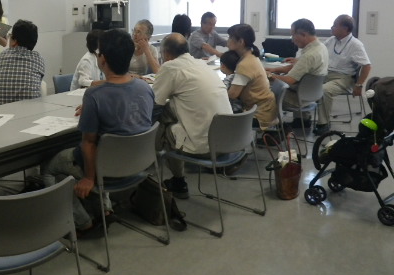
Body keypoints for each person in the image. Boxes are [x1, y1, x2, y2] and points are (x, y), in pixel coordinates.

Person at [42, 29, 154, 236]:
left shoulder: (94, 95)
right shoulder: (145, 87)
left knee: (48, 167)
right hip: (136, 165)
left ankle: (83, 223)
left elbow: (89, 143)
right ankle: (105, 210)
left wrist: (89, 178)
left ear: (102, 60)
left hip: (106, 170)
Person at [153, 33, 232, 198]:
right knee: (173, 110)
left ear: (166, 53)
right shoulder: (201, 64)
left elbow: (154, 104)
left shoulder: (170, 67)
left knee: (162, 125)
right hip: (229, 141)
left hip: (205, 146)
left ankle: (178, 181)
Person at [314, 14, 371, 135]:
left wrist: (359, 85)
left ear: (345, 29)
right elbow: (318, 53)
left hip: (344, 78)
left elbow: (367, 66)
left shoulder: (355, 44)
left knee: (324, 90)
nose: (332, 27)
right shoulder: (331, 40)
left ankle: (323, 123)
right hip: (325, 74)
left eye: (335, 25)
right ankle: (302, 119)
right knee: (302, 81)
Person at [267, 18, 329, 128]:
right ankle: (302, 120)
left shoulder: (309, 55)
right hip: (312, 94)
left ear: (303, 34)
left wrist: (268, 75)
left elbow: (289, 80)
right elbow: (298, 67)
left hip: (298, 99)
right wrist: (275, 70)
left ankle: (274, 129)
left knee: (263, 93)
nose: (292, 40)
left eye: (293, 35)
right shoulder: (320, 47)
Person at [226, 24, 277, 128]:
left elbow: (232, 94)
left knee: (216, 117)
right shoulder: (251, 56)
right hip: (264, 110)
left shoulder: (245, 64)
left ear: (241, 42)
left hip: (258, 116)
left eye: (230, 37)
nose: (228, 40)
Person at [0, 19, 45, 105]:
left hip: (0, 110)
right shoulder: (38, 59)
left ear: (14, 41)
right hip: (32, 110)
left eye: (10, 36)